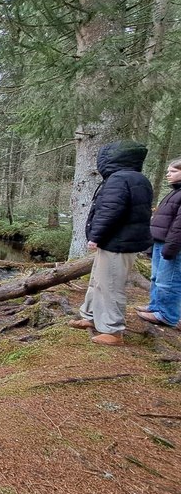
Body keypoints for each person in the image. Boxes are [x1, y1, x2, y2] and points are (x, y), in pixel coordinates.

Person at [68, 141, 153, 346]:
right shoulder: (137, 178)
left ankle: (113, 331)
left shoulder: (119, 179)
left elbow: (110, 211)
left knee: (110, 285)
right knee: (97, 280)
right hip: (118, 240)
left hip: (118, 242)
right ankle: (89, 317)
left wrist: (95, 236)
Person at [136, 158, 181, 330]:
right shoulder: (174, 192)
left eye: (173, 171)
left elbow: (179, 226)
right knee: (156, 277)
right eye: (168, 171)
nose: (168, 174)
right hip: (160, 242)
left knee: (169, 281)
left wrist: (171, 247)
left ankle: (167, 315)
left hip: (172, 245)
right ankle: (155, 306)